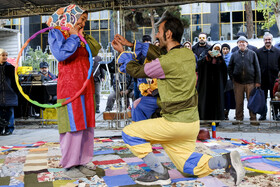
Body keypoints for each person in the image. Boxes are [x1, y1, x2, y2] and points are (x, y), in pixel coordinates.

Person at [112, 16, 245, 186]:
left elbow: (137, 71)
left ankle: (159, 173)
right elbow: (160, 53)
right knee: (187, 166)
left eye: (159, 32)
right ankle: (225, 161)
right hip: (190, 124)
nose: (156, 36)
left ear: (168, 34)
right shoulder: (187, 54)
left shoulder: (166, 62)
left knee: (129, 132)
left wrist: (123, 54)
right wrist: (131, 45)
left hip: (174, 123)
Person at [47, 4, 101, 179]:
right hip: (70, 89)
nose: (83, 23)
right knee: (73, 127)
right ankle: (70, 165)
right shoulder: (56, 32)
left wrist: (81, 36)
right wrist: (73, 37)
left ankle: (82, 160)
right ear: (70, 16)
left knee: (86, 126)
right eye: (82, 19)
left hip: (86, 87)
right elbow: (61, 54)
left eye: (85, 20)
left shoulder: (82, 35)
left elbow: (95, 51)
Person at [228, 36, 261, 126]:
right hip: (238, 83)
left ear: (247, 43)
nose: (242, 43)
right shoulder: (234, 55)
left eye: (243, 42)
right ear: (237, 44)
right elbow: (230, 67)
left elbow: (257, 68)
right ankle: (239, 119)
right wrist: (233, 79)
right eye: (240, 42)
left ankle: (253, 119)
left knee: (251, 101)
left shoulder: (252, 53)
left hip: (251, 82)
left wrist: (257, 81)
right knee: (238, 102)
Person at [197, 43, 227, 122]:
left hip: (217, 85)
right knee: (206, 101)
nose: (216, 51)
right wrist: (208, 57)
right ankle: (205, 118)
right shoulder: (206, 54)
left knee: (217, 102)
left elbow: (224, 70)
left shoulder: (220, 58)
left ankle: (216, 119)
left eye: (218, 49)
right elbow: (199, 64)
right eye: (215, 48)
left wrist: (220, 58)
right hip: (207, 83)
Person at [256, 33, 280, 120]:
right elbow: (256, 66)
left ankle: (275, 114)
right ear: (263, 41)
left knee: (275, 98)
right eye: (266, 40)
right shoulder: (258, 52)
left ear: (272, 40)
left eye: (269, 39)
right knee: (263, 99)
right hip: (262, 80)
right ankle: (263, 114)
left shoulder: (278, 52)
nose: (267, 41)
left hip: (275, 80)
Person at [0, 48, 18, 136]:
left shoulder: (11, 68)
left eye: (6, 55)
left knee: (9, 112)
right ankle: (0, 129)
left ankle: (9, 129)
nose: (5, 57)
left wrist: (17, 92)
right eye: (3, 55)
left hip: (9, 94)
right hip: (0, 94)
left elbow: (16, 82)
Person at [221, 43, 236, 120]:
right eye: (224, 49)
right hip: (221, 81)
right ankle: (222, 112)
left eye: (227, 49)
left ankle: (227, 112)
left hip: (229, 81)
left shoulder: (232, 57)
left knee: (228, 97)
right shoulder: (219, 57)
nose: (225, 51)